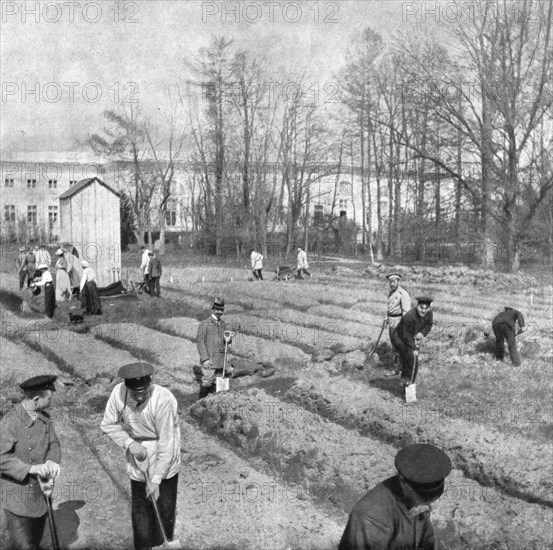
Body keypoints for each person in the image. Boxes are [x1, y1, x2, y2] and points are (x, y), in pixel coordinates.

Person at [100, 362, 181, 550]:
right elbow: (107, 424)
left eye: (143, 391)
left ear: (150, 383)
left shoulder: (163, 399)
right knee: (140, 511)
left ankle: (161, 544)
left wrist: (156, 480)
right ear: (126, 386)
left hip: (164, 458)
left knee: (164, 510)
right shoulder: (118, 393)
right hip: (138, 456)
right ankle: (143, 546)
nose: (139, 395)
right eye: (134, 392)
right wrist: (129, 443)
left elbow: (167, 443)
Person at [338, 443, 452, 550]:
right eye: (422, 499)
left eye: (429, 500)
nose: (426, 505)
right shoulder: (372, 516)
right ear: (403, 482)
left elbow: (426, 541)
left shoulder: (415, 500)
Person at [0, 375, 61, 550]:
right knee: (23, 546)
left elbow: (53, 444)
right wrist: (32, 468)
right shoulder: (10, 422)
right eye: (49, 397)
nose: (51, 401)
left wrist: (52, 462)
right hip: (17, 499)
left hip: (40, 496)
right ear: (36, 399)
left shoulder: (45, 419)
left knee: (35, 542)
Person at [196, 297, 234, 399]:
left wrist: (229, 339)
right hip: (210, 360)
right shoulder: (205, 324)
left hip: (221, 361)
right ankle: (200, 407)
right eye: (217, 309)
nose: (219, 312)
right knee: (207, 382)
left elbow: (225, 341)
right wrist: (205, 359)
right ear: (212, 309)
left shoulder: (223, 324)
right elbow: (200, 342)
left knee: (218, 387)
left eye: (221, 310)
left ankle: (213, 408)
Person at [392, 296, 434, 386]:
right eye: (421, 308)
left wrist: (422, 333)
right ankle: (405, 381)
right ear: (417, 306)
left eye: (426, 308)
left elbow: (429, 325)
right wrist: (413, 349)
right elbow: (407, 336)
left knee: (413, 360)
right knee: (410, 357)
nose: (423, 311)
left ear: (429, 308)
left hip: (412, 337)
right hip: (399, 338)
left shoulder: (429, 313)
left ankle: (410, 383)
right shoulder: (409, 317)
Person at [385, 272, 411, 375]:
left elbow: (406, 312)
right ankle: (397, 368)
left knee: (400, 346)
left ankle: (402, 368)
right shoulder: (391, 293)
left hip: (399, 322)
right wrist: (386, 318)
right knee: (394, 346)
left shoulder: (403, 294)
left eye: (394, 282)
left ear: (398, 281)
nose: (392, 284)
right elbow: (389, 308)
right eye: (390, 282)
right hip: (392, 322)